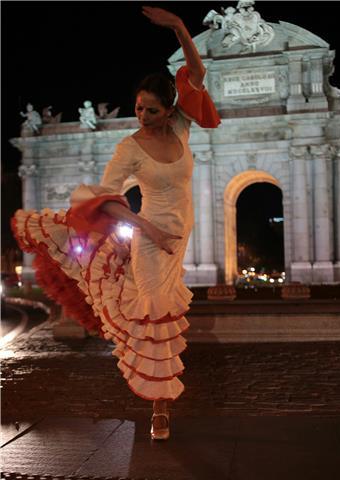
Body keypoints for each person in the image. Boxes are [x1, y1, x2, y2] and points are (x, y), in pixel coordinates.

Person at [11, 6, 221, 441]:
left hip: (179, 235)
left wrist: (182, 28)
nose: (142, 116)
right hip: (150, 239)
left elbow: (196, 74)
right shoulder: (129, 147)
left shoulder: (182, 126)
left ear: (168, 110)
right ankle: (159, 410)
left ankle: (158, 398)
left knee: (158, 313)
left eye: (150, 110)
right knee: (153, 312)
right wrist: (151, 229)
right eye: (139, 109)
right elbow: (106, 200)